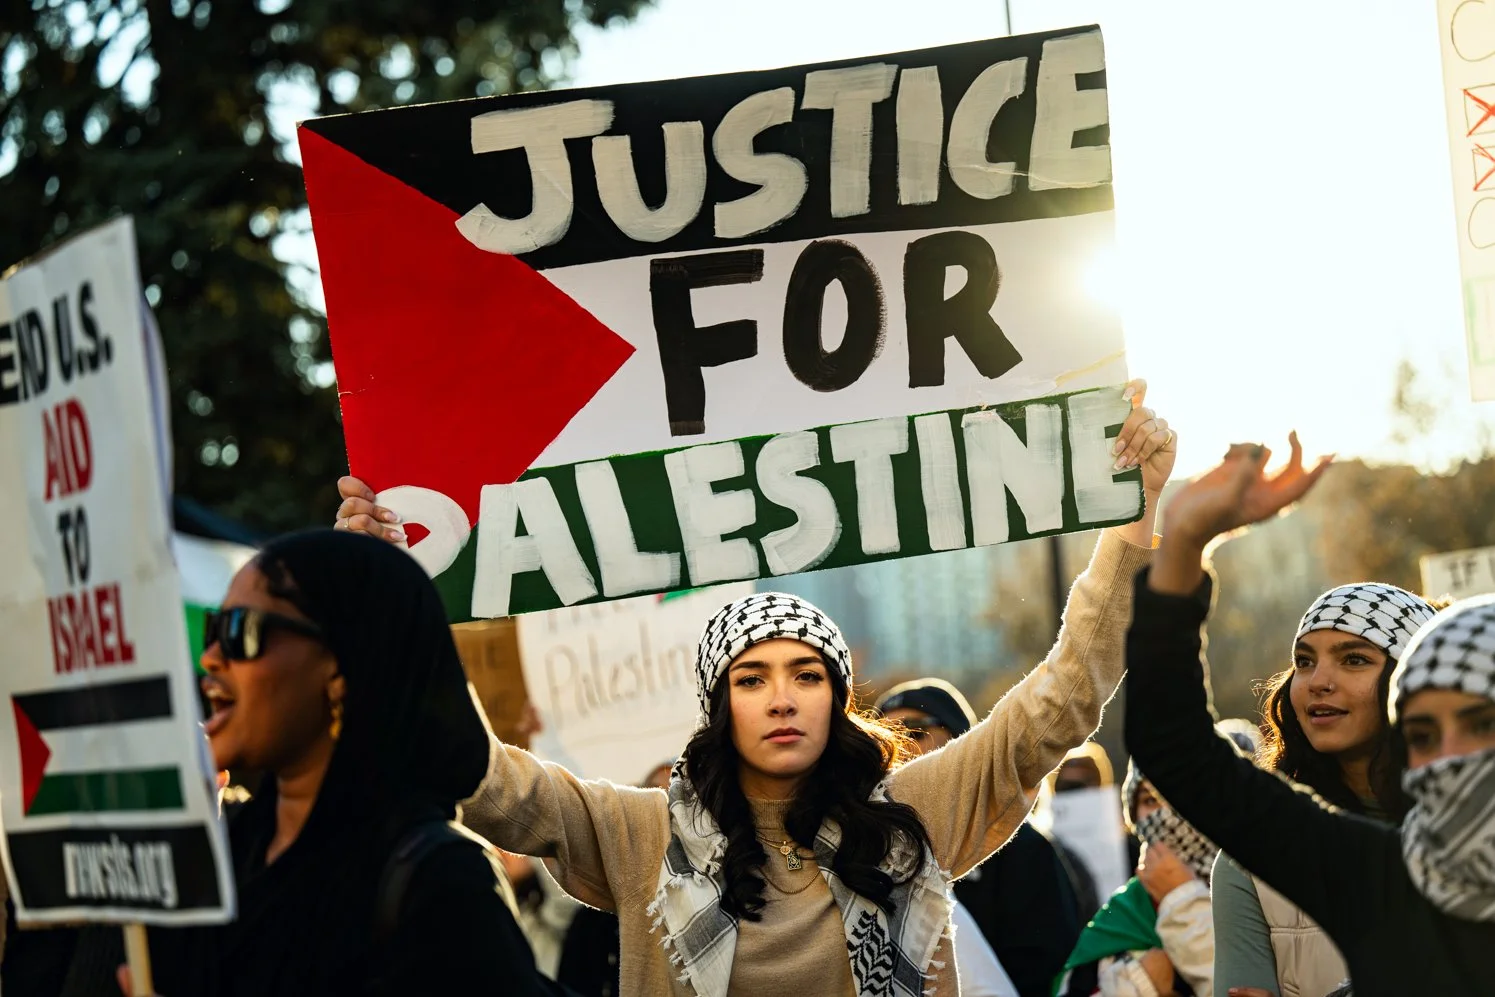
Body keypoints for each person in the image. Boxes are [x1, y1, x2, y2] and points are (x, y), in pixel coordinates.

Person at [334, 383, 1177, 995]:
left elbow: (1063, 698)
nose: (781, 698)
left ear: (836, 698)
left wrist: (1132, 521)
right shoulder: (640, 834)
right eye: (751, 678)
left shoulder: (913, 813)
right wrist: (386, 589)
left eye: (806, 675)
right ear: (719, 707)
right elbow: (485, 778)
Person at [1124, 437, 1495, 997]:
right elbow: (1178, 752)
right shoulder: (1380, 876)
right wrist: (1183, 541)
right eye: (1423, 734)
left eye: (1480, 725)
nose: (1449, 755)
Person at [131, 529, 545, 997]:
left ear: (341, 666)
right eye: (213, 629)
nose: (209, 659)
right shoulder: (222, 853)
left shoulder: (441, 887)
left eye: (239, 631)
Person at [1211, 583, 1434, 997]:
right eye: (1304, 661)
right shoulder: (1250, 860)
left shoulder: (1477, 829)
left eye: (1354, 659)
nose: (1318, 681)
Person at [876, 678, 1079, 997]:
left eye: (914, 732)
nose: (899, 750)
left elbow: (1049, 967)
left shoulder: (1021, 848)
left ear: (961, 746)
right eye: (882, 742)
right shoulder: (865, 854)